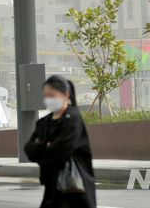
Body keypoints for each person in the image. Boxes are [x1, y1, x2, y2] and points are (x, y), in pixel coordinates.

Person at [24, 76, 96, 208]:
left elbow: (60, 152)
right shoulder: (44, 122)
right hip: (52, 187)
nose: (48, 99)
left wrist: (42, 147)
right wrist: (46, 146)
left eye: (52, 95)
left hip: (74, 188)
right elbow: (29, 150)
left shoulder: (73, 119)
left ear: (65, 95)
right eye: (46, 95)